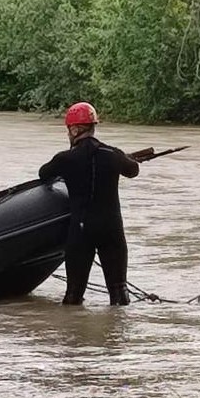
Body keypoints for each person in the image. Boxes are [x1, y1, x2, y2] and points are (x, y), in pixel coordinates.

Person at [38, 102, 139, 306]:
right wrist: (123, 158)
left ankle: (75, 334)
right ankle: (116, 334)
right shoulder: (113, 154)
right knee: (119, 292)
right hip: (112, 229)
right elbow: (133, 170)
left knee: (73, 295)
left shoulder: (65, 159)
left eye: (68, 130)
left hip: (82, 229)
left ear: (75, 129)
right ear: (93, 126)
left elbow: (43, 173)